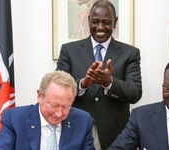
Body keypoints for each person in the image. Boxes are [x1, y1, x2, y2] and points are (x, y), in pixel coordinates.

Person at [56, 0, 142, 149]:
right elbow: (58, 89)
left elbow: (135, 93)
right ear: (88, 21)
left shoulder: (130, 53)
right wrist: (82, 84)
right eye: (95, 22)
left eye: (106, 22)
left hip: (115, 135)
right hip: (76, 130)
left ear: (115, 22)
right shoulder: (69, 50)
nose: (100, 27)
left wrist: (110, 83)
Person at [0, 71, 95, 150]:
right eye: (54, 105)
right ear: (39, 96)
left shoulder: (83, 121)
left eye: (66, 107)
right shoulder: (15, 119)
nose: (59, 113)